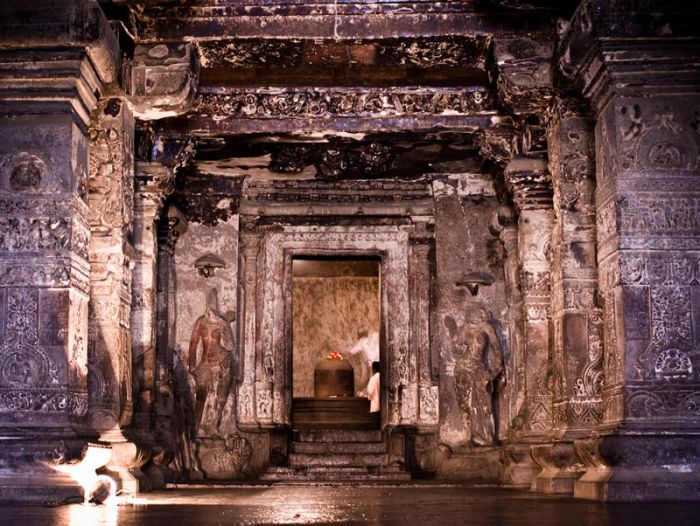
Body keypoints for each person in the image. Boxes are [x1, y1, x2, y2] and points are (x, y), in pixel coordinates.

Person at [188, 289, 235, 437]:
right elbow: (193, 344)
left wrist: (224, 328)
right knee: (200, 395)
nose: (211, 306)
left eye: (213, 303)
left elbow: (230, 346)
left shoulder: (221, 322)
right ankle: (195, 429)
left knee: (220, 398)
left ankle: (215, 427)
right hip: (205, 363)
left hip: (221, 361)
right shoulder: (201, 322)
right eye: (209, 302)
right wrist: (192, 366)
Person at [366, 361, 380, 427]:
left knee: (375, 425)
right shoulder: (384, 377)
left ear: (374, 369)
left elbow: (370, 391)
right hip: (384, 406)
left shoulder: (373, 378)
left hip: (375, 404)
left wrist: (369, 397)